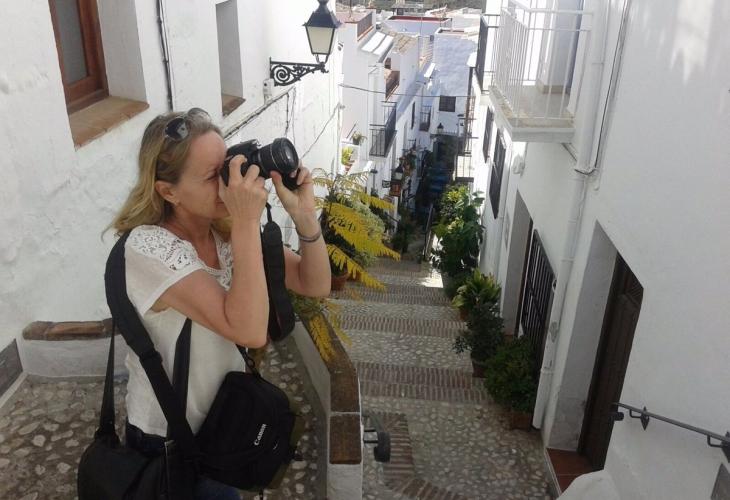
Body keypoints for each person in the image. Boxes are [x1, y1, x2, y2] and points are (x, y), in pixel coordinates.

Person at [109, 108, 331, 499]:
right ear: (168, 191)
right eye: (214, 176)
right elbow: (249, 331)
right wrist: (245, 221)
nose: (230, 182)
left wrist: (305, 216)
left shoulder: (224, 234)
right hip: (170, 443)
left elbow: (314, 284)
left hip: (226, 424)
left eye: (228, 165)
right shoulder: (148, 249)